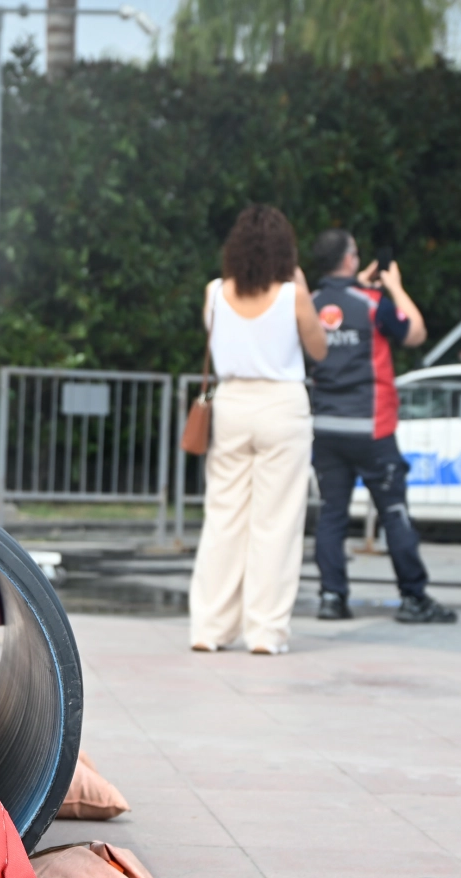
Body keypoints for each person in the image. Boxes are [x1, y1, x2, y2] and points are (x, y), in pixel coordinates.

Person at [189, 205, 329, 655]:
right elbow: (319, 349)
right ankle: (266, 631)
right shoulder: (293, 295)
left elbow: (215, 336)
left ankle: (210, 627)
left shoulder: (215, 292)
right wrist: (300, 285)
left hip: (232, 403)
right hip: (282, 405)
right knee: (277, 522)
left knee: (224, 517)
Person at [306, 230, 456, 624]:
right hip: (371, 426)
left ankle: (331, 597)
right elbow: (415, 332)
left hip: (326, 426)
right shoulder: (373, 303)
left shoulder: (310, 304)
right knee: (393, 511)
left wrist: (357, 287)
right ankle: (413, 597)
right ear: (350, 259)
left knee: (332, 514)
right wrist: (395, 288)